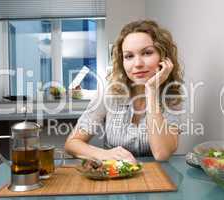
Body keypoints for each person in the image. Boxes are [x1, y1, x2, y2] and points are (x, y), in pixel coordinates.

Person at [65, 19, 184, 162]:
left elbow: (161, 153)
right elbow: (72, 143)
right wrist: (104, 155)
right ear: (122, 61)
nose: (138, 64)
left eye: (147, 53)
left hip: (156, 177)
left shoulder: (172, 96)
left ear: (164, 59)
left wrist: (151, 90)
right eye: (129, 56)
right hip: (115, 176)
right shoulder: (109, 92)